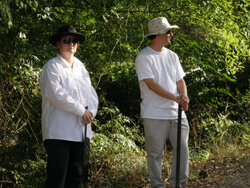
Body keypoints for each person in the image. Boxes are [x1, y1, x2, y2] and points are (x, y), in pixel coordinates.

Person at [39, 25, 98, 188]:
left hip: (80, 130)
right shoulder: (52, 67)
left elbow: (91, 94)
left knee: (76, 176)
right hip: (58, 131)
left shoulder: (81, 67)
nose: (71, 44)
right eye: (66, 40)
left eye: (75, 41)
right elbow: (57, 95)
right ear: (58, 43)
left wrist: (90, 112)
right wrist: (81, 111)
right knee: (57, 175)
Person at [135, 17, 190, 188]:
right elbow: (151, 85)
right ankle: (158, 186)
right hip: (154, 113)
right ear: (158, 34)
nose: (171, 34)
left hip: (176, 112)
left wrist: (184, 97)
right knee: (155, 154)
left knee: (182, 150)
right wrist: (176, 98)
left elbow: (180, 81)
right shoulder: (143, 57)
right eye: (168, 32)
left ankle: (178, 185)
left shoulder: (172, 56)